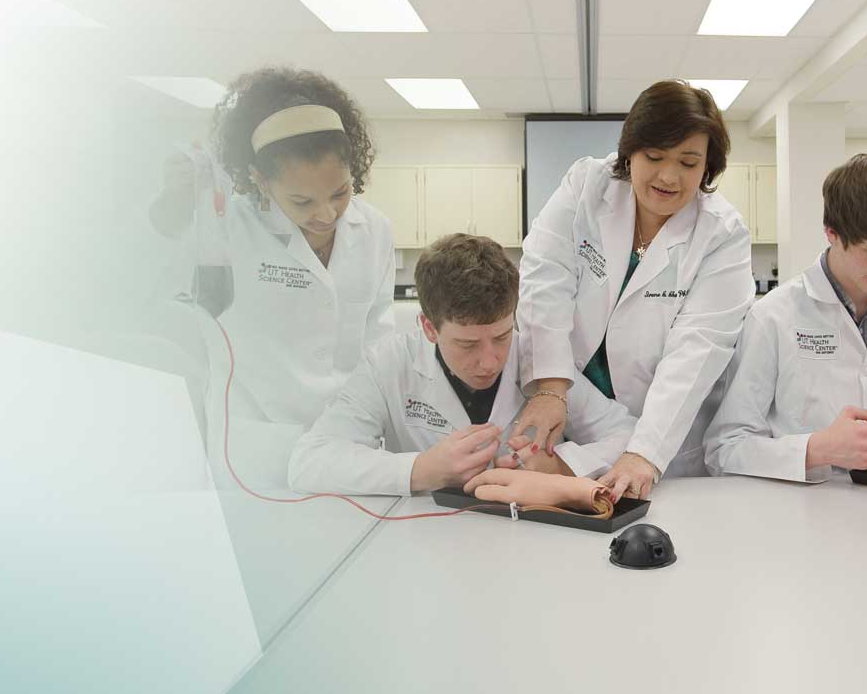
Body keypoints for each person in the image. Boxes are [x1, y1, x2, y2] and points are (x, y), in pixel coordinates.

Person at [516, 80, 754, 501]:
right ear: (630, 151)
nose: (668, 176)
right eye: (654, 156)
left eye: (688, 162)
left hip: (659, 427)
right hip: (571, 398)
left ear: (707, 168)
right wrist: (551, 387)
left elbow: (697, 349)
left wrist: (645, 451)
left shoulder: (722, 235)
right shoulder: (587, 185)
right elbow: (544, 276)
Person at [289, 234, 636, 496]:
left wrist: (563, 466)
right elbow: (309, 462)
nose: (489, 361)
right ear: (428, 327)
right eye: (467, 344)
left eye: (501, 337)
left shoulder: (536, 357)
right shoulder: (389, 365)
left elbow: (626, 434)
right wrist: (420, 469)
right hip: (420, 546)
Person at [149, 67, 397, 428]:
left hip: (348, 430)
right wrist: (176, 199)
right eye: (302, 201)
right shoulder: (228, 226)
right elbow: (163, 266)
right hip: (256, 432)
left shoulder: (374, 229)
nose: (326, 214)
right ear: (261, 182)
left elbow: (378, 336)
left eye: (340, 192)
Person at [704, 155, 867, 487]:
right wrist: (815, 450)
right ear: (832, 233)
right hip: (806, 517)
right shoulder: (774, 316)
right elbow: (723, 450)